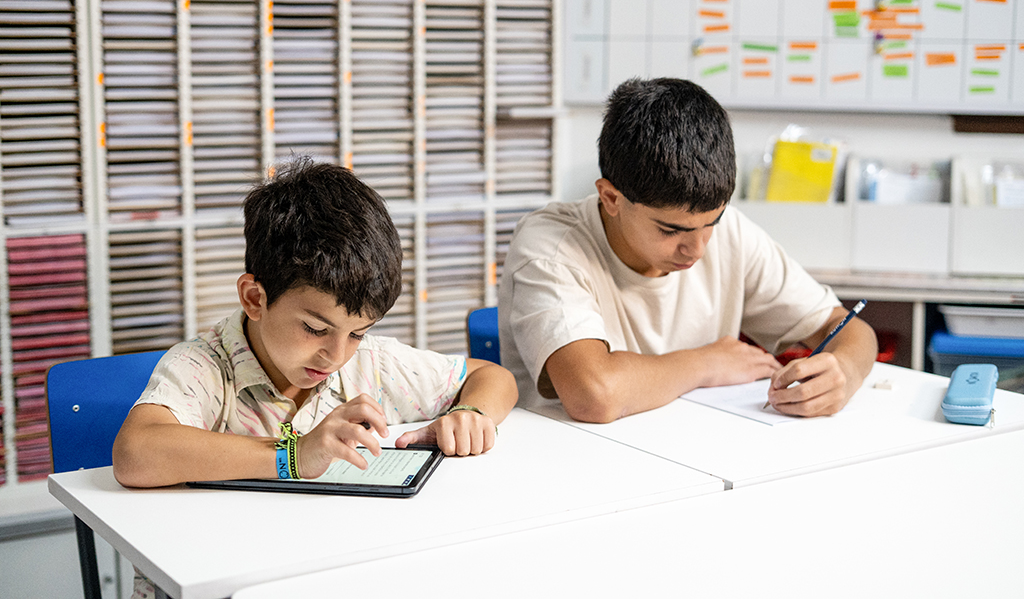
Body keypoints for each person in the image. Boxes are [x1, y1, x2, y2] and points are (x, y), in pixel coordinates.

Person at [114, 159, 517, 484]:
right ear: (255, 298)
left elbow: (492, 377)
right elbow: (135, 453)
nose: (336, 356)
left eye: (358, 333)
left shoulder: (371, 364)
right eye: (315, 328)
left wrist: (472, 413)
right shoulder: (206, 368)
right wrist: (295, 455)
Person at [498, 77, 877, 424]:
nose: (696, 249)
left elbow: (848, 329)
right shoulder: (550, 245)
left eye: (710, 224)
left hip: (696, 456)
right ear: (611, 197)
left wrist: (844, 369)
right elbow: (594, 394)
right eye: (670, 229)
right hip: (575, 468)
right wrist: (707, 362)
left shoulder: (730, 233)